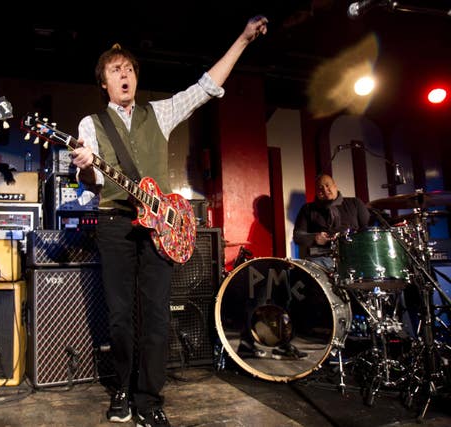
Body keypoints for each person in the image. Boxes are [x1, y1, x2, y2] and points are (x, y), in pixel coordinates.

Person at [70, 15, 268, 427]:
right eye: (115, 70)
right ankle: (121, 388)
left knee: (158, 316)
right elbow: (88, 178)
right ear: (104, 83)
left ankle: (149, 397)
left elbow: (206, 87)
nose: (124, 75)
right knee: (121, 317)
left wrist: (243, 40)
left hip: (160, 226)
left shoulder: (158, 113)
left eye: (129, 70)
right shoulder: (92, 124)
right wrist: (87, 166)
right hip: (114, 224)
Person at [293, 173, 371, 270]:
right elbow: (297, 236)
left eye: (327, 185)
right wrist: (315, 238)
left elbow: (368, 231)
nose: (325, 190)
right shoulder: (307, 209)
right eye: (320, 188)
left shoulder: (355, 203)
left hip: (353, 256)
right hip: (321, 259)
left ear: (335, 186)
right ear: (316, 192)